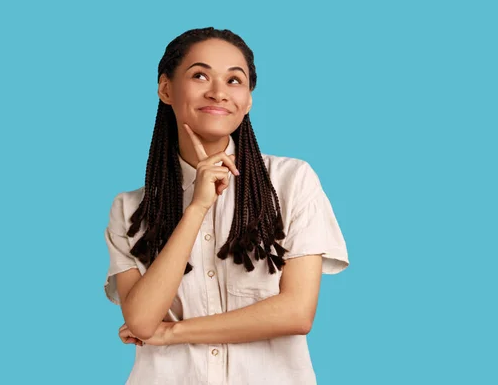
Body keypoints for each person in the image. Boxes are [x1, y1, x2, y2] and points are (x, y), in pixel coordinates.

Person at [103, 27, 350, 385]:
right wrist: (197, 208)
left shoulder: (292, 181)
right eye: (200, 75)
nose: (218, 92)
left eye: (235, 80)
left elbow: (296, 313)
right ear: (165, 89)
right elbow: (141, 322)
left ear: (248, 99)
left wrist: (173, 332)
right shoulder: (129, 209)